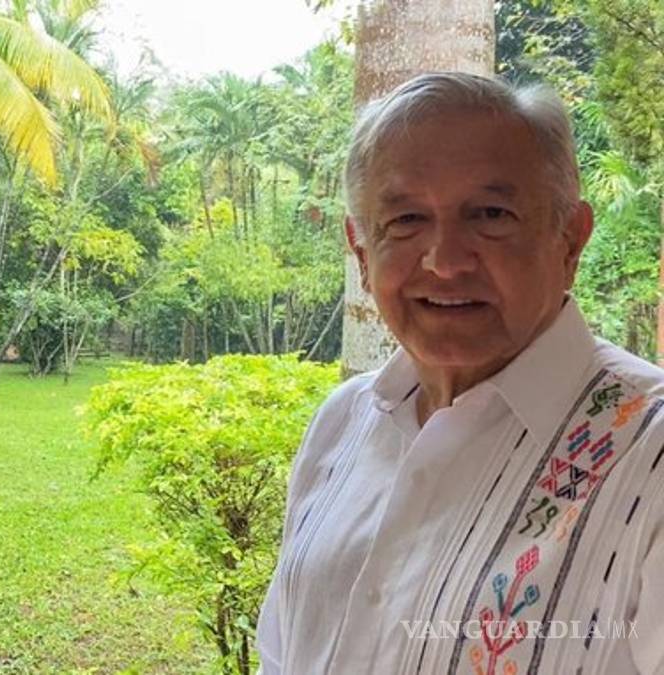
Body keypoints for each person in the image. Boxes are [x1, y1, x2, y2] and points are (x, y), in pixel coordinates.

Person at [255, 72, 664, 675]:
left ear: (570, 239)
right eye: (405, 220)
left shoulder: (650, 457)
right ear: (362, 252)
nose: (445, 261)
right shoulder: (341, 425)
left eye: (491, 214)